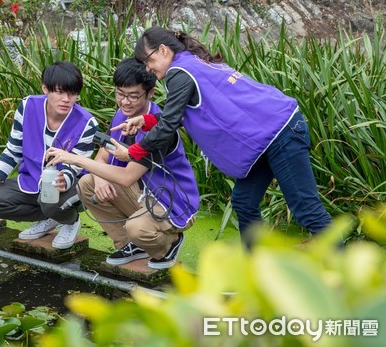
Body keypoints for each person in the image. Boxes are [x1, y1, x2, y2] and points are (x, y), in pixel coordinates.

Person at [112, 26, 333, 246]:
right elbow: (185, 114)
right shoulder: (192, 61)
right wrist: (147, 120)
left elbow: (168, 125)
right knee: (244, 202)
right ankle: (257, 269)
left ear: (162, 50)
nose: (148, 68)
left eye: (148, 60)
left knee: (306, 208)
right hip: (266, 138)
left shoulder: (178, 73)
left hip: (280, 133)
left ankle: (346, 273)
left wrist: (132, 152)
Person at [46, 58, 199, 269]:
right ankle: (131, 245)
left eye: (133, 96)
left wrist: (73, 158)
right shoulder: (121, 115)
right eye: (120, 94)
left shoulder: (159, 129)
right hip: (144, 193)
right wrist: (99, 180)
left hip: (172, 202)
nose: (125, 102)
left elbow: (127, 177)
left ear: (151, 93)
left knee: (137, 228)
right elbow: (102, 156)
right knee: (87, 183)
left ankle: (168, 244)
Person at [0, 61, 98, 249]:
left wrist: (65, 179)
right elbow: (12, 152)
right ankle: (51, 218)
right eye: (60, 92)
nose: (66, 99)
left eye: (72, 94)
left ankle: (70, 221)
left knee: (50, 199)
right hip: (32, 181)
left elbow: (78, 166)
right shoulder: (28, 106)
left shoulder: (87, 123)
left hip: (71, 187)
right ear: (45, 89)